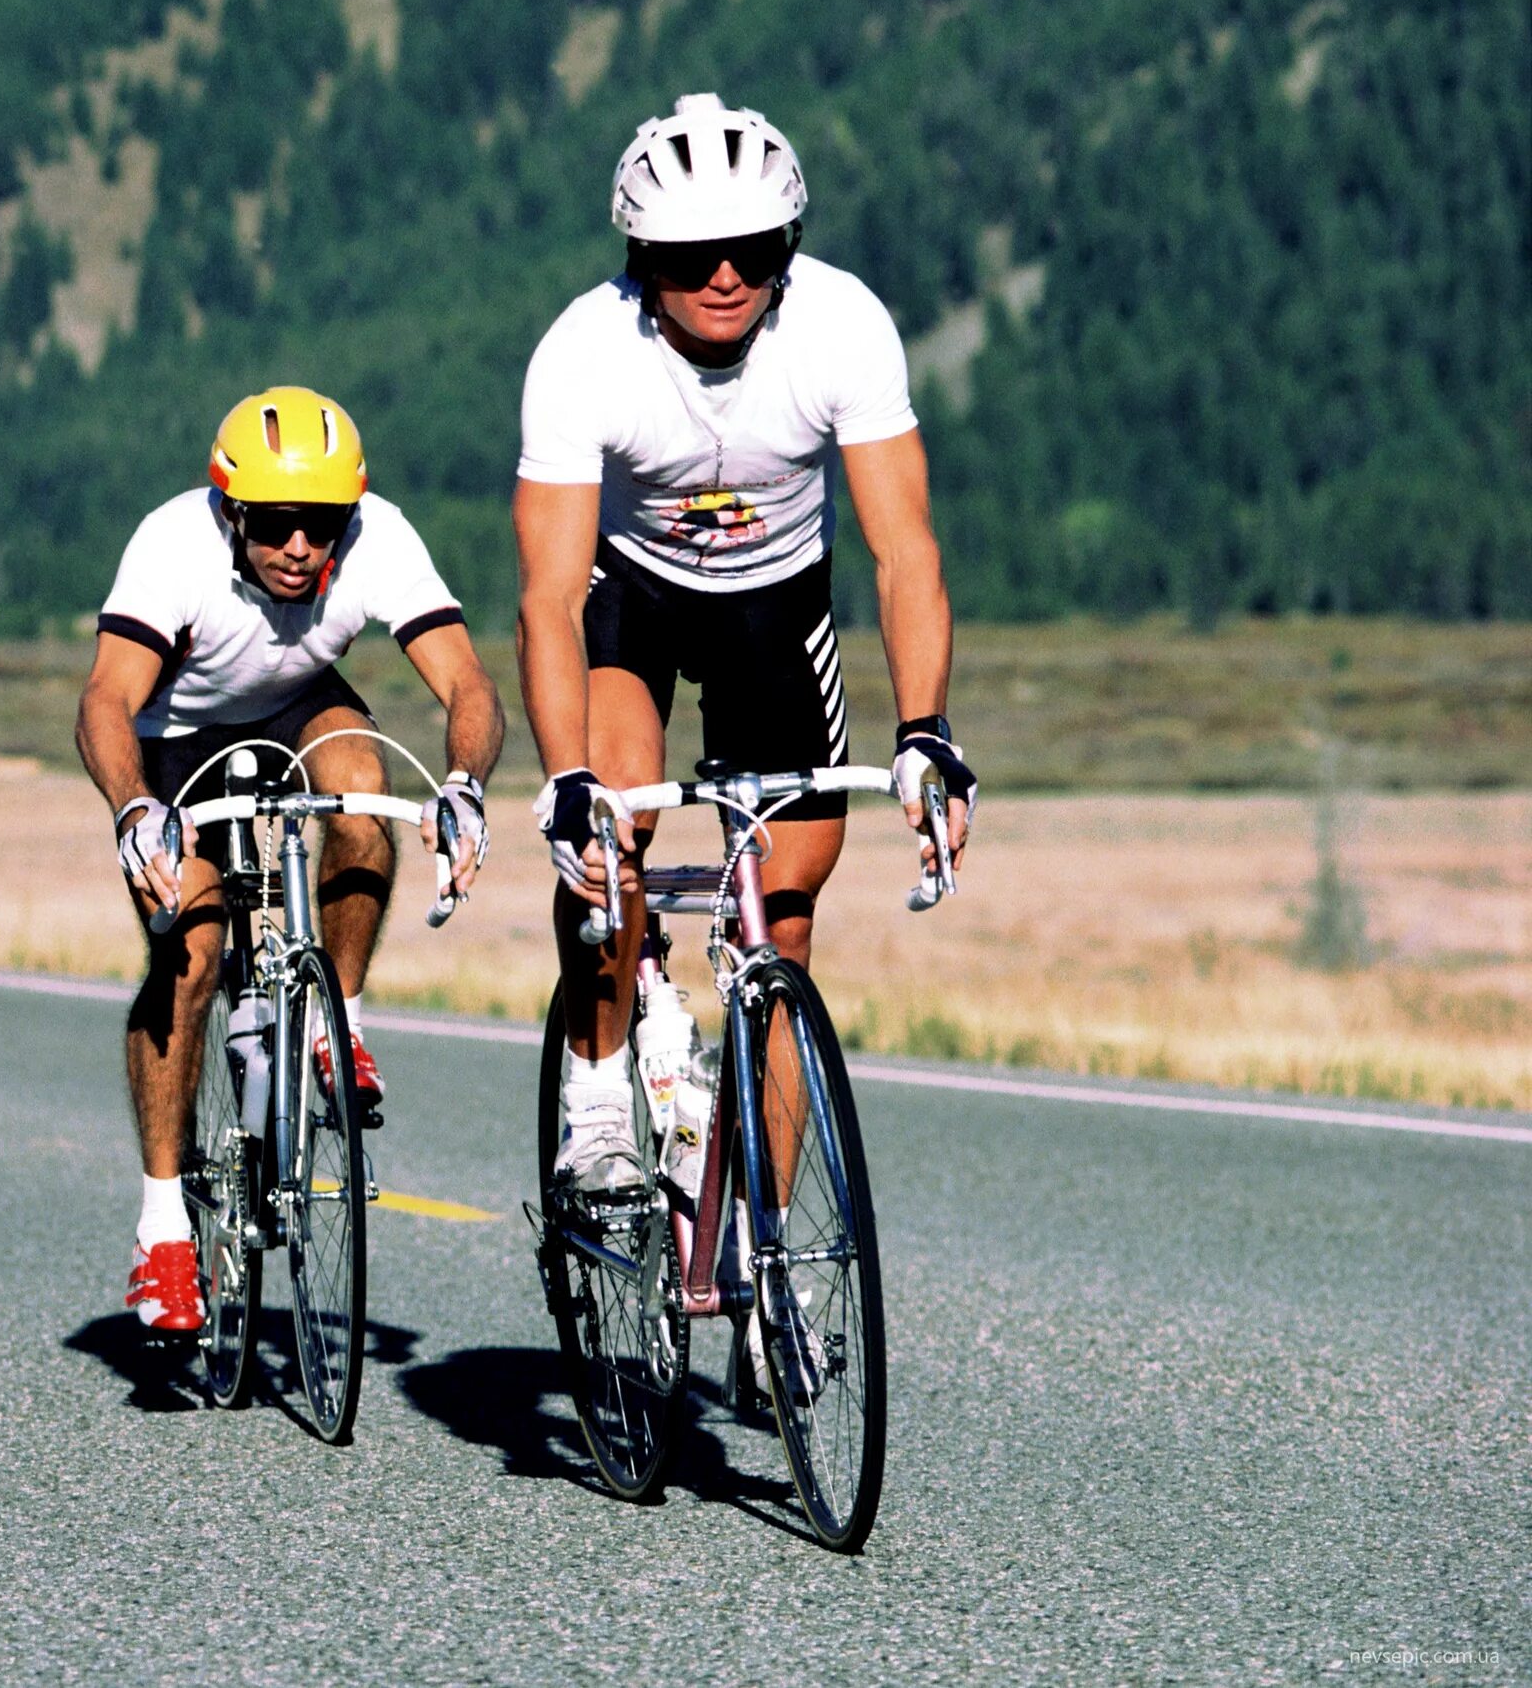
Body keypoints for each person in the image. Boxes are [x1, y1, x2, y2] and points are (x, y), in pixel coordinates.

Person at [512, 93, 978, 1193]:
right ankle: (595, 1092)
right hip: (632, 598)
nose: (725, 277)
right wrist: (567, 778)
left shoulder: (843, 325)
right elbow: (545, 596)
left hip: (778, 606)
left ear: (790, 248)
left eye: (755, 250)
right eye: (690, 257)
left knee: (789, 912)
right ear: (641, 257)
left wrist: (927, 731)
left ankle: (757, 1243)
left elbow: (906, 552)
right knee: (609, 838)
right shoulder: (585, 353)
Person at [80, 387, 505, 1334]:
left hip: (296, 702)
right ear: (232, 510)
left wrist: (466, 781)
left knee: (361, 797)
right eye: (276, 524)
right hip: (171, 736)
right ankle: (163, 1233)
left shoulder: (380, 539)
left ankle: (335, 1022)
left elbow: (470, 681)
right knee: (192, 946)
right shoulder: (170, 547)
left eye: (323, 525)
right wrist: (134, 809)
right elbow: (105, 699)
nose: (302, 547)